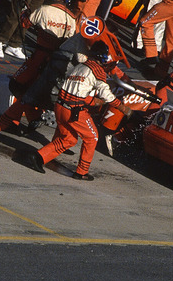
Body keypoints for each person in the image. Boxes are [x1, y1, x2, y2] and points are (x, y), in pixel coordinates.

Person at [0, 0, 77, 143]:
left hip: (38, 58)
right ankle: (32, 120)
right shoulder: (73, 19)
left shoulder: (43, 10)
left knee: (17, 86)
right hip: (56, 64)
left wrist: (25, 13)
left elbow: (26, 23)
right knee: (29, 94)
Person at [20, 41, 125, 180]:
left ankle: (38, 156)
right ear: (103, 58)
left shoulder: (80, 66)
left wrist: (93, 101)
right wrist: (123, 107)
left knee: (68, 139)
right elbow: (107, 96)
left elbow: (76, 90)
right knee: (92, 137)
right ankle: (81, 172)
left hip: (60, 106)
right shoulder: (98, 71)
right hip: (74, 110)